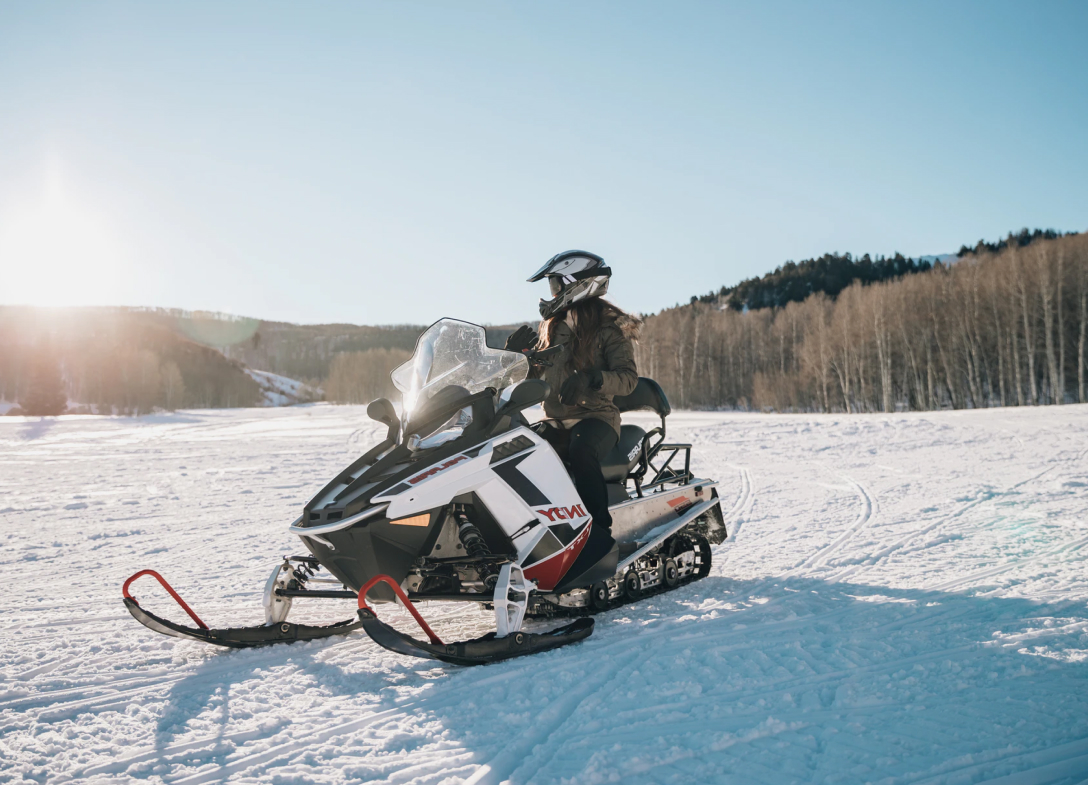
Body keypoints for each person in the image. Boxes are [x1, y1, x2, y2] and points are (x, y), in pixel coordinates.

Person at [505, 250, 642, 533]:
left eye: (556, 285)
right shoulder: (553, 327)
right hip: (553, 419)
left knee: (581, 451)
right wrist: (514, 358)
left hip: (597, 419)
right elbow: (534, 375)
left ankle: (599, 538)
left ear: (576, 285)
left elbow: (628, 379)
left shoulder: (610, 327)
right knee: (515, 455)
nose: (552, 293)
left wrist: (592, 379)